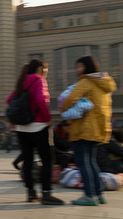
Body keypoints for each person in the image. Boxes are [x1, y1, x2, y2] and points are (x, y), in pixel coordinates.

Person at [60, 55, 116, 205]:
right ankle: (98, 194)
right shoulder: (104, 83)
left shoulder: (86, 82)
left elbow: (71, 98)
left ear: (87, 67)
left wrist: (63, 109)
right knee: (91, 162)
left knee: (83, 162)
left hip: (84, 128)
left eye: (80, 66)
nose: (77, 70)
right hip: (99, 129)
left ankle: (90, 195)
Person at [6, 59, 64, 205]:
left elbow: (9, 99)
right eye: (45, 70)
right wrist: (48, 119)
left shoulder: (22, 81)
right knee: (47, 160)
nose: (46, 73)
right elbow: (40, 101)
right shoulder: (39, 80)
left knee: (28, 161)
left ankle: (31, 193)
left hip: (21, 128)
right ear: (40, 69)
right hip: (38, 125)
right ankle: (46, 193)